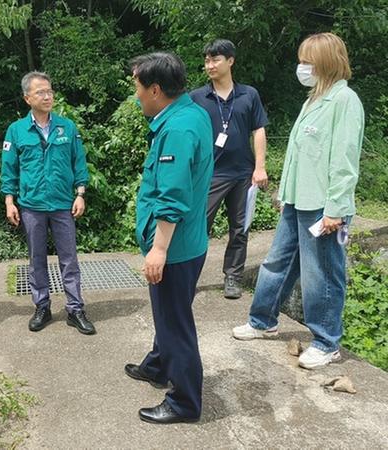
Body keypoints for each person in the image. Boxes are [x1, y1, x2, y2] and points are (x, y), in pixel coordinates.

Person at [232, 33, 364, 370]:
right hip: (297, 201)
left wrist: (336, 208)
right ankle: (263, 321)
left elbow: (344, 161)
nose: (302, 67)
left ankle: (326, 342)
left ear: (326, 63)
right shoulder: (314, 100)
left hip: (323, 207)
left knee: (321, 274)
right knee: (277, 262)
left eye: (308, 61)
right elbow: (300, 156)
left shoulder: (345, 102)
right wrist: (284, 193)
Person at [124, 52, 213, 424]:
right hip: (187, 243)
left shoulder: (177, 129)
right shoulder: (190, 113)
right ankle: (159, 366)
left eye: (138, 88)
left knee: (175, 324)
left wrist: (158, 249)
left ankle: (184, 402)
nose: (137, 95)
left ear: (156, 89)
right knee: (168, 316)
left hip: (175, 249)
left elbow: (172, 196)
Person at [0, 71, 95, 335]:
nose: (47, 96)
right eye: (40, 92)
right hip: (31, 206)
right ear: (27, 97)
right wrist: (10, 201)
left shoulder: (67, 127)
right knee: (36, 259)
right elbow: (9, 169)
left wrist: (80, 193)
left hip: (63, 204)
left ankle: (75, 309)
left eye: (50, 91)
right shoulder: (16, 130)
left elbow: (79, 162)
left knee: (69, 259)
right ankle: (42, 306)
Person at [190, 39, 269, 299]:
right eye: (206, 60)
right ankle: (188, 276)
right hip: (209, 174)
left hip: (243, 174)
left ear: (230, 61)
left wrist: (260, 167)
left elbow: (258, 129)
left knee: (240, 227)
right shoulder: (197, 98)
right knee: (199, 226)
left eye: (215, 59)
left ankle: (233, 277)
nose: (209, 65)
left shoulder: (249, 94)